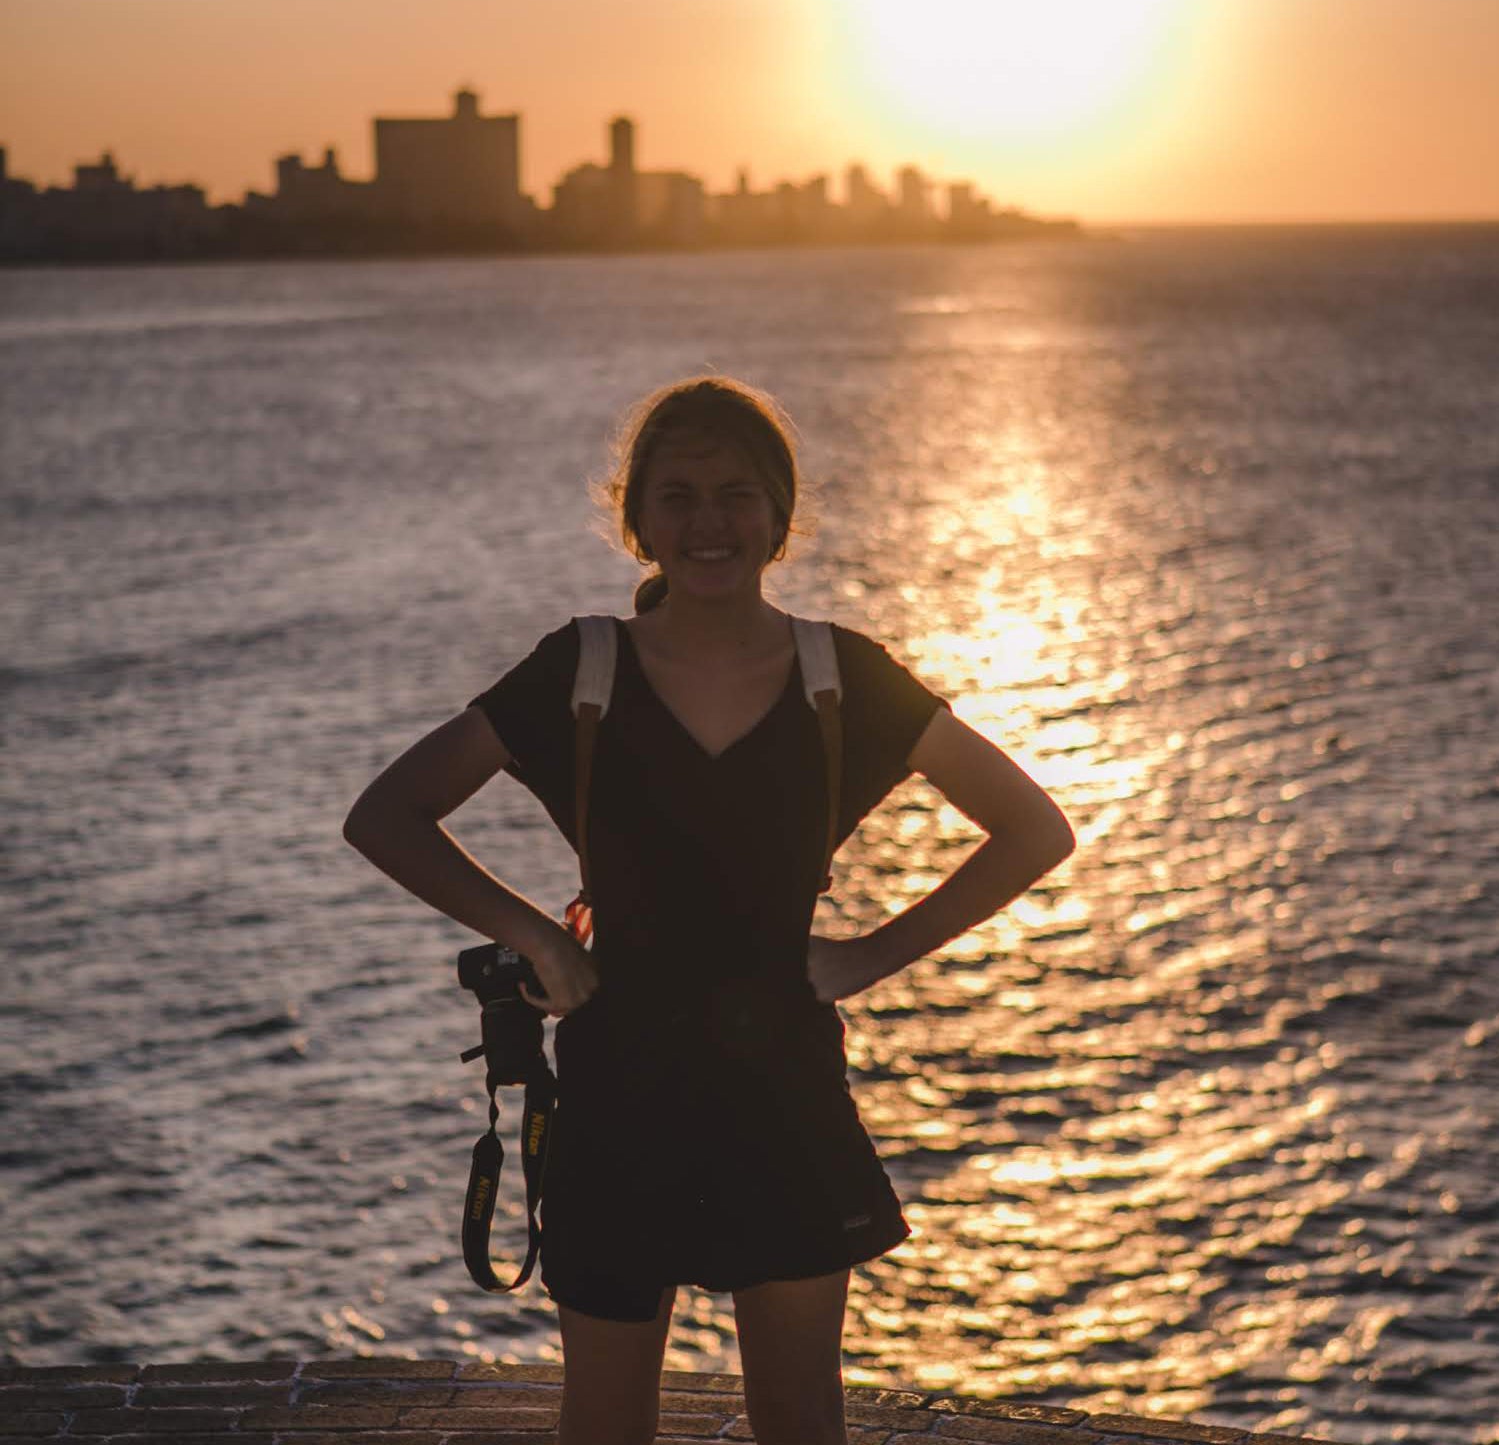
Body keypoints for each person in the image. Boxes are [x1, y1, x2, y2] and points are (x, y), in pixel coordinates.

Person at [343, 376, 1075, 1445]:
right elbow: (388, 814)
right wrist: (534, 933)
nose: (709, 522)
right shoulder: (582, 669)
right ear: (636, 519)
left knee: (796, 1422)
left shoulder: (842, 678)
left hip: (784, 1091)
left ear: (780, 515)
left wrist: (871, 954)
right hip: (613, 1095)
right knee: (603, 1427)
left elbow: (1032, 827)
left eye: (736, 494)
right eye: (677, 495)